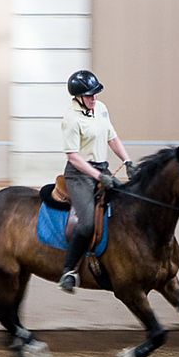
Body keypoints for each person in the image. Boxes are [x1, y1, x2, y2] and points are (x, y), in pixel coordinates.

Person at [58, 69, 136, 293]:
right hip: (79, 174)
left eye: (95, 94)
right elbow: (73, 156)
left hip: (101, 168)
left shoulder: (100, 109)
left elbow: (112, 137)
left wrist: (128, 160)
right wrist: (99, 177)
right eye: (90, 95)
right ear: (79, 97)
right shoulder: (71, 119)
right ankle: (69, 270)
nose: (94, 98)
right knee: (87, 223)